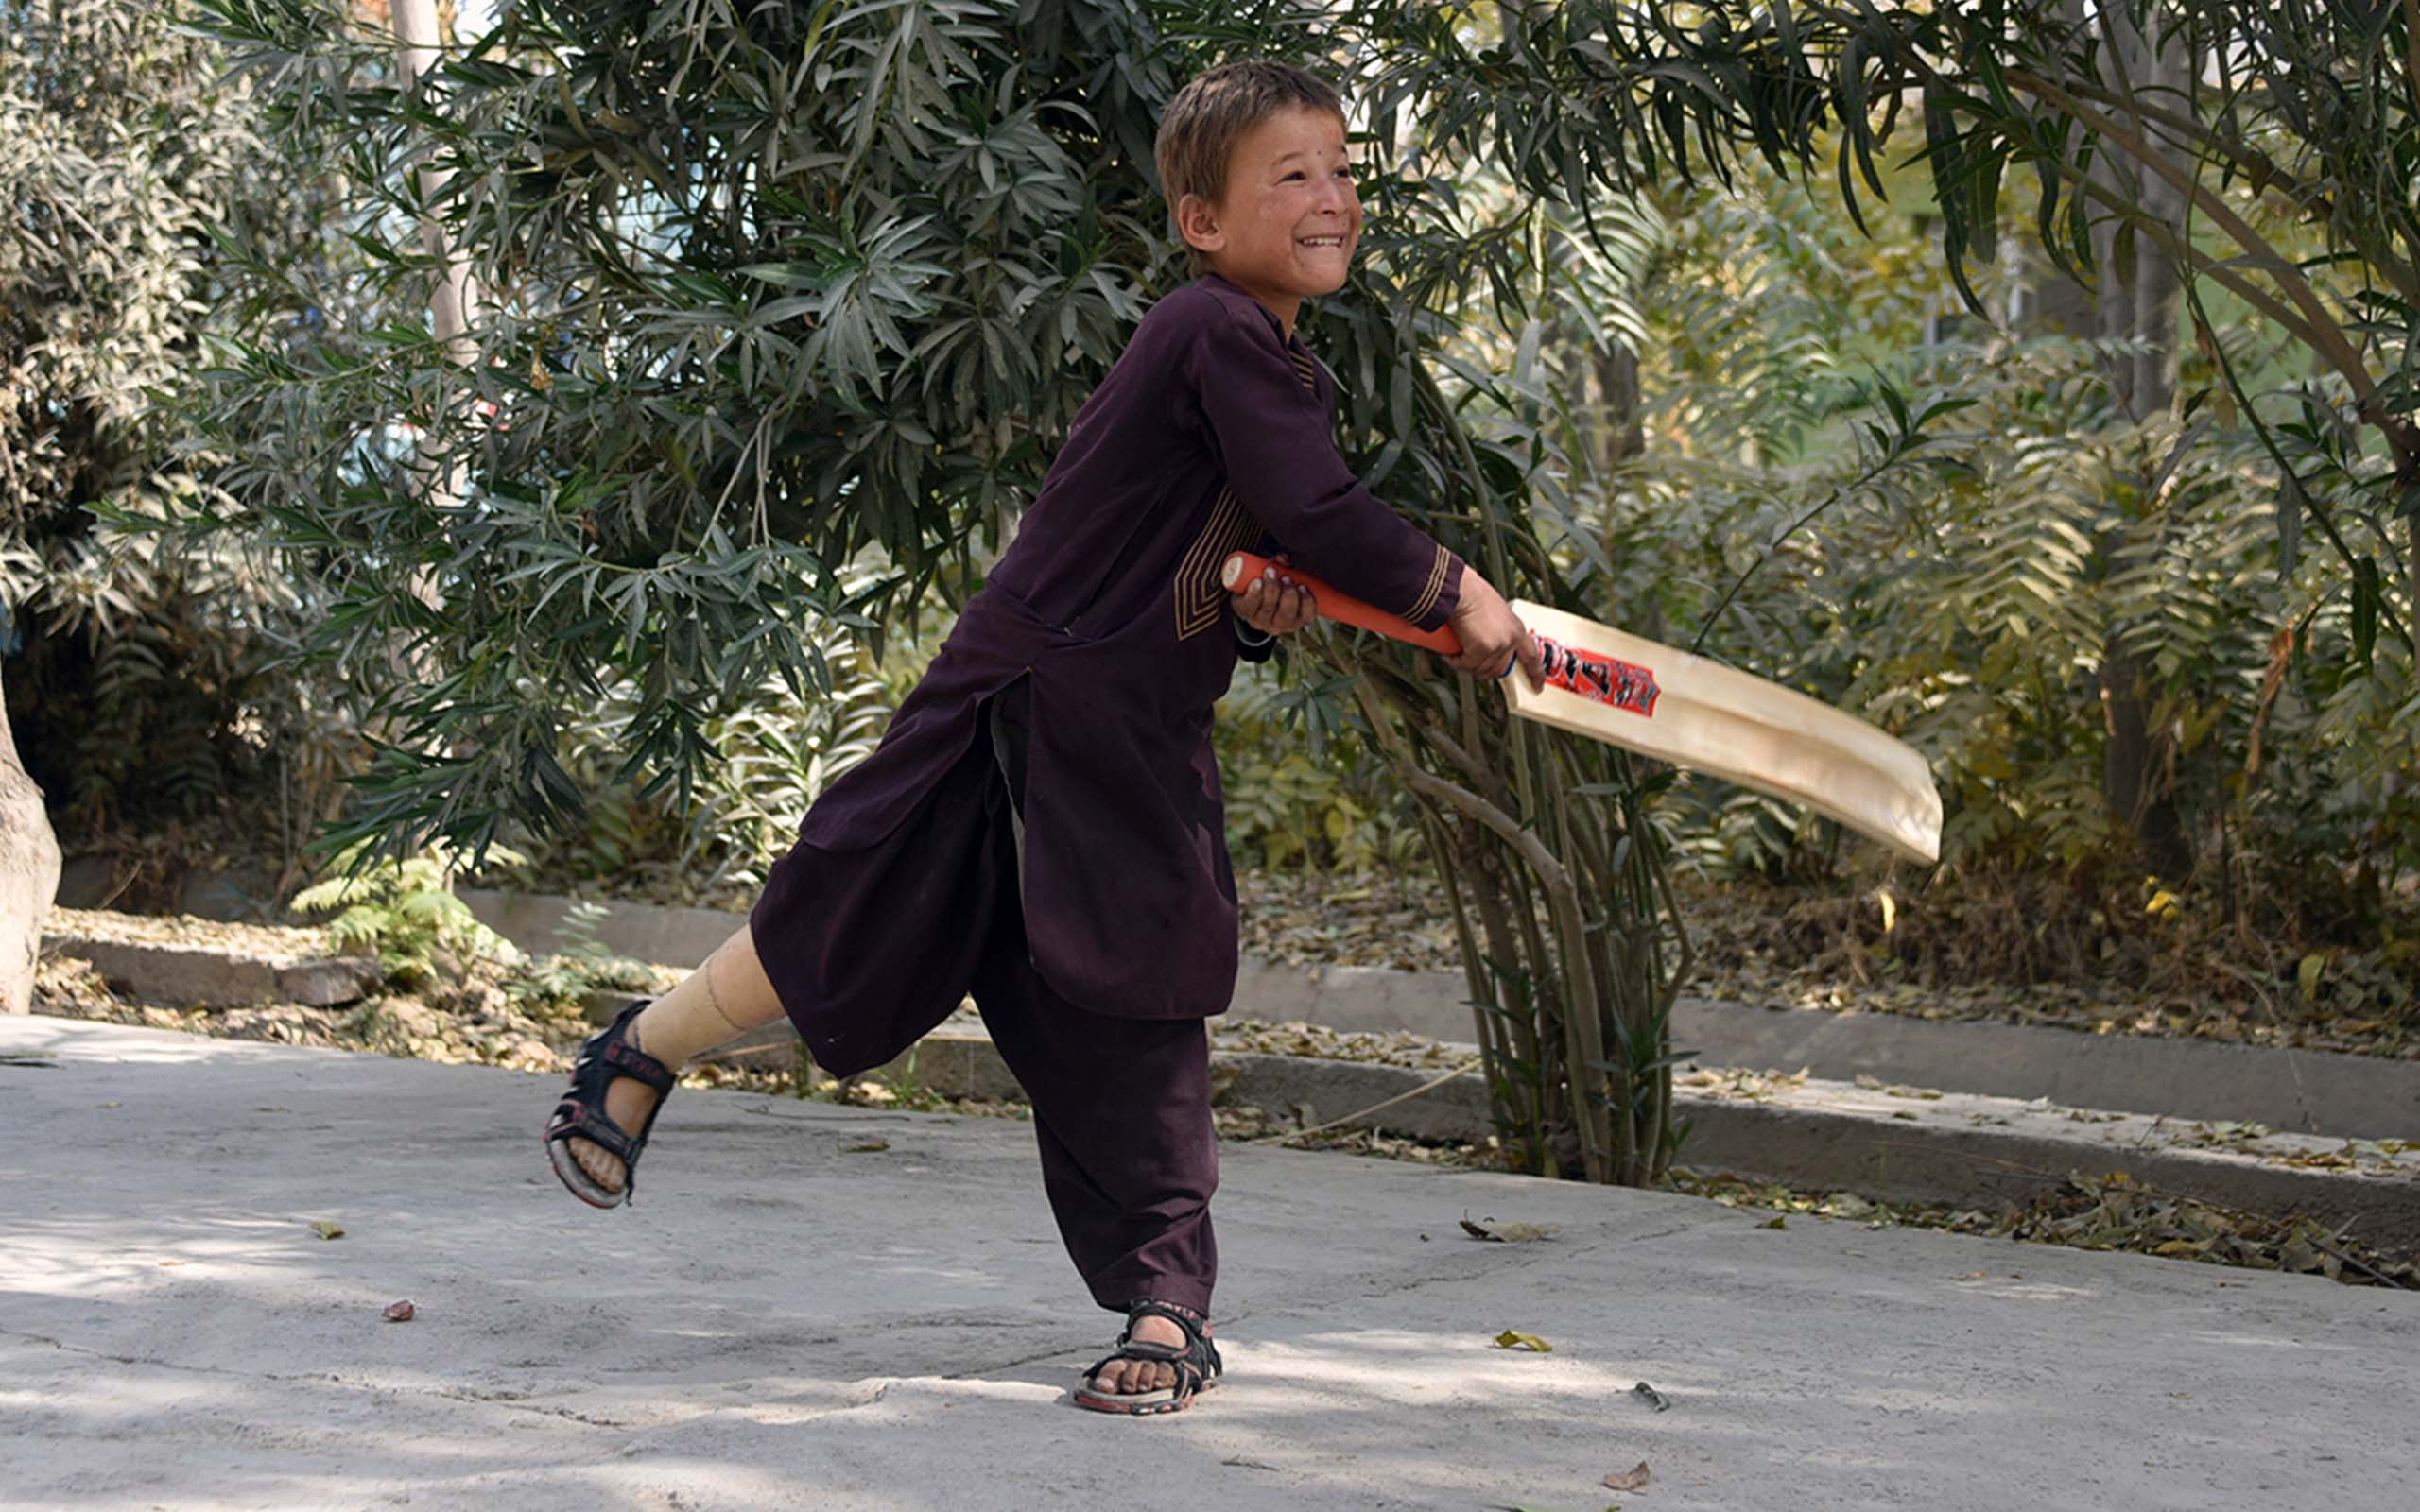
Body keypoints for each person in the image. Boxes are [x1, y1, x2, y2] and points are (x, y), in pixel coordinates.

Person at [542, 58, 1543, 1416]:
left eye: (1343, 169)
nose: (1333, 197)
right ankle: (643, 1049)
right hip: (1014, 695)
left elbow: (1216, 554)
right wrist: (1458, 592)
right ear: (1203, 221)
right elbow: (1322, 511)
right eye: (1292, 175)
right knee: (849, 907)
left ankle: (1168, 1308)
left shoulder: (1263, 359)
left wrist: (1252, 611)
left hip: (1128, 729)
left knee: (1136, 1001)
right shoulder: (1212, 330)